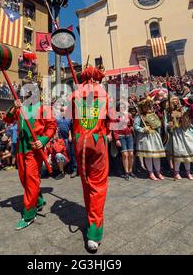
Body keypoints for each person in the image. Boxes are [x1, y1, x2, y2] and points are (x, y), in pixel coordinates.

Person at [70, 66, 113, 252]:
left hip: (80, 143)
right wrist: (108, 131)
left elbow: (73, 118)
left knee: (86, 184)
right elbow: (111, 119)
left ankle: (91, 216)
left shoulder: (75, 94)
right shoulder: (104, 93)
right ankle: (94, 232)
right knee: (98, 185)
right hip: (97, 142)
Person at [4, 96, 57, 230]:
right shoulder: (21, 107)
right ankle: (38, 200)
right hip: (21, 149)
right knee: (23, 179)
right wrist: (14, 108)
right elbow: (8, 119)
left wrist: (43, 140)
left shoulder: (44, 108)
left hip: (33, 150)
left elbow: (52, 126)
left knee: (31, 180)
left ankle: (29, 214)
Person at [166, 97, 193, 180]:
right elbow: (166, 123)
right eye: (174, 100)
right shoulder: (168, 112)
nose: (176, 102)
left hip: (185, 132)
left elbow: (187, 121)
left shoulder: (183, 109)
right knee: (178, 152)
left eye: (177, 100)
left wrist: (184, 115)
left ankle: (188, 172)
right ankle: (176, 172)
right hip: (176, 133)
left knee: (187, 152)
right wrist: (169, 125)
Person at [134, 97, 166, 181]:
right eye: (146, 106)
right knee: (148, 156)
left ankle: (158, 172)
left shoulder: (154, 114)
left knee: (156, 156)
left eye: (149, 106)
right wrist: (143, 129)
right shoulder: (140, 116)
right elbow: (136, 126)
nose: (148, 107)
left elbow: (158, 124)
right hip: (146, 137)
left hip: (155, 136)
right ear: (142, 107)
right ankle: (151, 172)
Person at [113, 107, 135, 180]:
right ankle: (126, 172)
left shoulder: (128, 115)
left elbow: (132, 124)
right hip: (121, 136)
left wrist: (131, 127)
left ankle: (130, 170)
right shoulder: (116, 116)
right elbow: (115, 129)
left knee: (131, 154)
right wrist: (117, 139)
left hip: (129, 136)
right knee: (125, 154)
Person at [56, 106, 77, 178]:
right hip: (61, 140)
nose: (62, 112)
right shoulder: (58, 119)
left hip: (68, 139)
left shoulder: (69, 119)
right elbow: (56, 128)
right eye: (61, 110)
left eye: (64, 110)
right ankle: (63, 170)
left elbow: (71, 128)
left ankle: (74, 169)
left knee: (71, 154)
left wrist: (70, 136)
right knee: (62, 153)